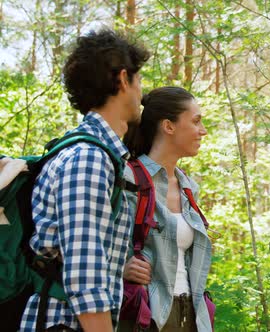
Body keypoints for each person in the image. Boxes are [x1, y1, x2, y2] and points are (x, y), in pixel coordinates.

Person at [20, 30, 150, 331]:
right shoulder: (88, 159)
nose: (141, 92)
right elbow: (85, 276)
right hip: (63, 323)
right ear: (122, 80)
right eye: (138, 79)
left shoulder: (95, 155)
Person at [119, 86, 213, 332]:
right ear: (168, 126)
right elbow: (88, 244)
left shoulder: (187, 187)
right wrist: (121, 267)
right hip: (148, 316)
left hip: (191, 315)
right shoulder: (129, 179)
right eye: (196, 122)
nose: (203, 131)